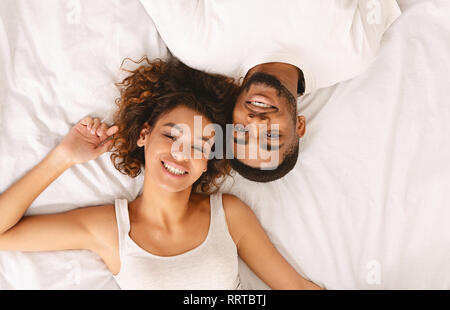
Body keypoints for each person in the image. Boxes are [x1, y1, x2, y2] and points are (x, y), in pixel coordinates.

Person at [0, 57, 322, 290]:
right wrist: (63, 157)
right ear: (144, 136)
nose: (181, 155)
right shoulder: (111, 230)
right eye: (171, 136)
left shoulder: (229, 215)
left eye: (200, 146)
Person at [139, 0, 402, 182]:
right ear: (299, 125)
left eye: (241, 132)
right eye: (272, 136)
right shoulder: (354, 53)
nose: (256, 122)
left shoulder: (198, 46)